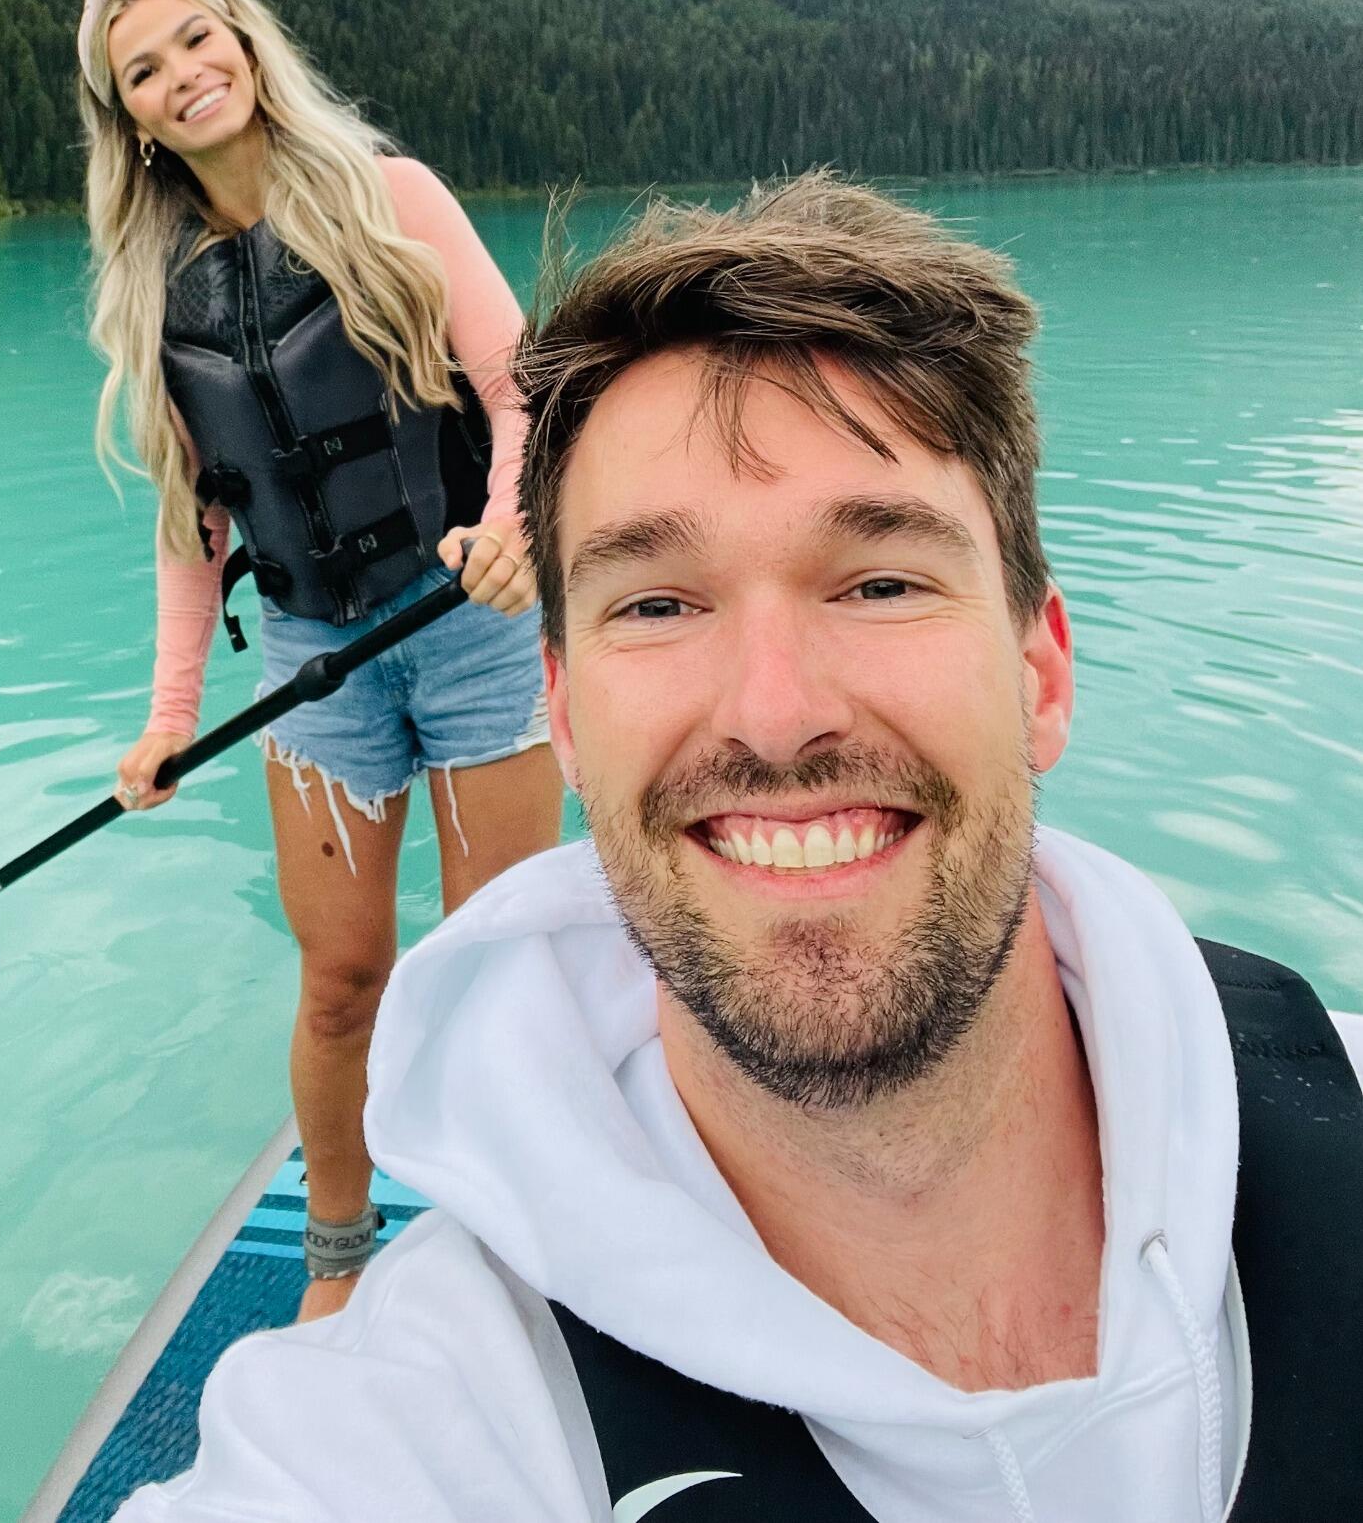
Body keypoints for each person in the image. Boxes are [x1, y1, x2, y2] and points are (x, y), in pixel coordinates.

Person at [115, 172, 1363, 1520]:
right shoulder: (404, 1423)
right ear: (565, 720)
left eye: (879, 582)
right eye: (657, 604)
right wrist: (171, 713)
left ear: (1041, 673)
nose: (775, 714)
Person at [76, 0, 562, 1318]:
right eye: (146, 71)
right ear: (132, 121)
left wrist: (515, 527)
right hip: (312, 667)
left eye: (197, 39)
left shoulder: (390, 196)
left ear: (245, 43)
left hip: (472, 630)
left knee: (493, 969)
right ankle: (338, 1264)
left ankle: (508, 1250)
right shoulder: (152, 293)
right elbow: (191, 525)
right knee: (343, 980)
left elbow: (521, 391)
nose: (184, 74)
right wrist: (171, 715)